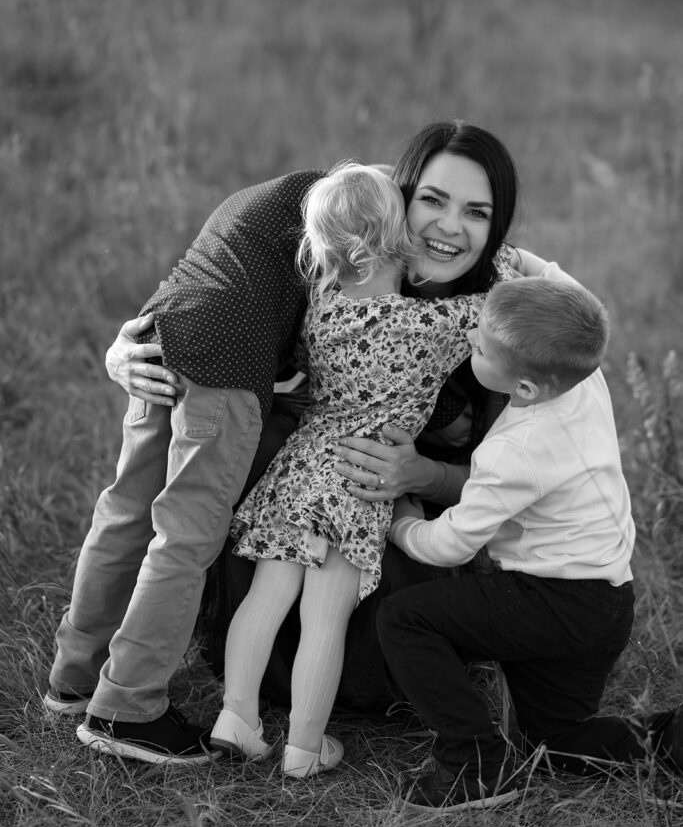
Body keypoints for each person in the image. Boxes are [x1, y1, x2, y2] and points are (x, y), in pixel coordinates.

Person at [66, 119, 526, 755]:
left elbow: (229, 285)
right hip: (284, 428)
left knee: (143, 523)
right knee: (227, 557)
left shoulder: (326, 267)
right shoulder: (422, 299)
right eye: (434, 203)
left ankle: (96, 681)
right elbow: (489, 310)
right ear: (399, 205)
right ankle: (159, 716)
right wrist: (516, 265)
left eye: (477, 213)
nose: (449, 227)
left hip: (204, 375)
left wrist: (143, 333)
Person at [208, 162, 531, 778]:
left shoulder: (322, 306)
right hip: (359, 485)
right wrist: (504, 252)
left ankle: (236, 718)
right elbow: (500, 297)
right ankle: (304, 748)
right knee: (324, 618)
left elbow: (302, 362)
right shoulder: (427, 325)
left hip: (298, 474)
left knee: (266, 597)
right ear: (400, 239)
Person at [43, 170, 325, 763]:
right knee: (186, 535)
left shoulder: (290, 192)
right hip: (225, 363)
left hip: (163, 333)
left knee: (126, 513)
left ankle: (76, 677)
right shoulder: (361, 210)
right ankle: (127, 710)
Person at [379, 275, 683, 812]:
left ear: (522, 390)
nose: (468, 343)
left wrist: (402, 517)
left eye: (476, 347)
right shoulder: (583, 379)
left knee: (405, 619)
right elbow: (561, 283)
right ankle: (673, 740)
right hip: (607, 602)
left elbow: (450, 544)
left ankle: (472, 763)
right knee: (558, 743)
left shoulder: (514, 452)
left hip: (553, 602)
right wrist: (520, 263)